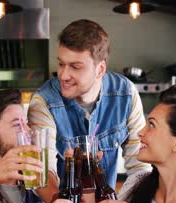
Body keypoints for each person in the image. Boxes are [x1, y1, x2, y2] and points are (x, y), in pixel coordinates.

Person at [28, 19, 151, 193]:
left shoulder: (126, 94)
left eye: (75, 67)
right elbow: (42, 172)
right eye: (61, 64)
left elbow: (140, 167)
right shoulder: (43, 102)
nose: (63, 75)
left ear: (100, 69)